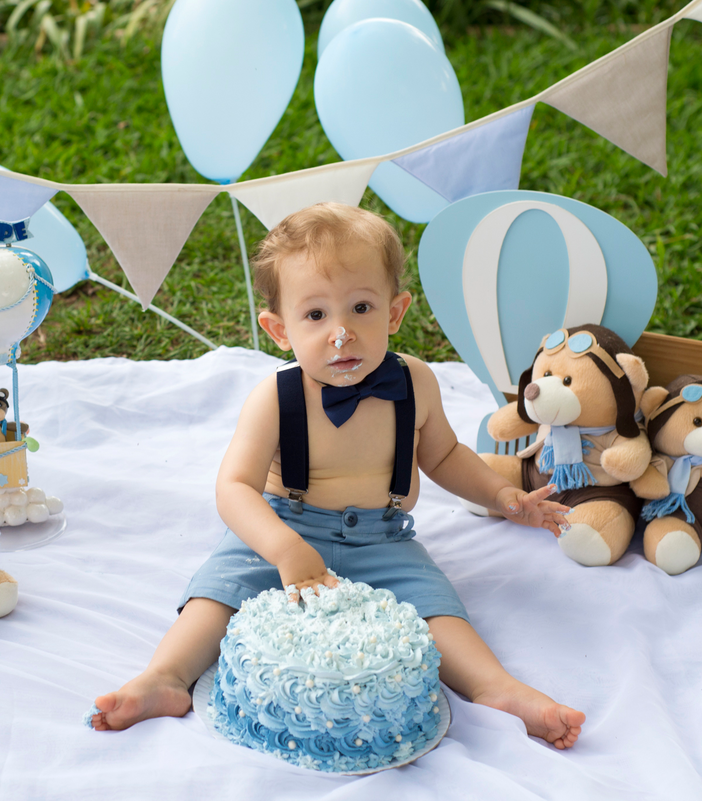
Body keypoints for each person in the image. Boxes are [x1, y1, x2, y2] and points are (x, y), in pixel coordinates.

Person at [91, 203, 585, 749]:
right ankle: (166, 678)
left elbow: (443, 456)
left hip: (383, 538)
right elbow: (234, 488)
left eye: (361, 308)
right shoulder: (274, 398)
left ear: (394, 314)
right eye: (316, 316)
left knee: (438, 612)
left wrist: (500, 493)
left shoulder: (415, 382)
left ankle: (496, 688)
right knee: (217, 595)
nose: (342, 334)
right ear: (279, 329)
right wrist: (282, 549)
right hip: (286, 529)